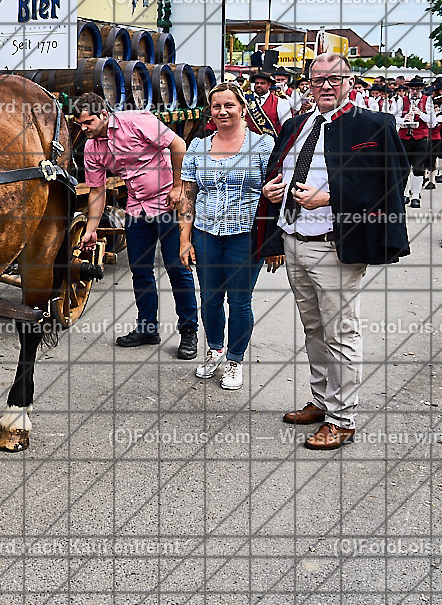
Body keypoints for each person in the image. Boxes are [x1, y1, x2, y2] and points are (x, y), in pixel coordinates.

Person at [253, 53, 409, 450]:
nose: (326, 85)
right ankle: (322, 401)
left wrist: (330, 198)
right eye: (319, 78)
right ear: (308, 82)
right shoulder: (296, 124)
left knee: (340, 333)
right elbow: (283, 170)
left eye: (335, 79)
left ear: (349, 82)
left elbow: (391, 180)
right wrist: (275, 188)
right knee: (314, 330)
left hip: (334, 245)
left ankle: (343, 418)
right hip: (293, 240)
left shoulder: (372, 124)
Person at [74, 92, 199, 359]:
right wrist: (91, 228)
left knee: (177, 268)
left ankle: (189, 331)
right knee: (140, 271)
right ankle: (147, 328)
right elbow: (97, 191)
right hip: (136, 209)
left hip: (167, 205)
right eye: (80, 124)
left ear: (104, 115)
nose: (84, 129)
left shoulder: (136, 121)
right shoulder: (91, 147)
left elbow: (178, 145)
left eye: (88, 122)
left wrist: (178, 186)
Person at [179, 83, 278, 390]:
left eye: (229, 105)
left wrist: (274, 243)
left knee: (239, 301)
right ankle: (215, 350)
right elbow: (187, 195)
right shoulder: (198, 147)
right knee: (209, 299)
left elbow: (276, 197)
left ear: (242, 109)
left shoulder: (263, 146)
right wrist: (185, 239)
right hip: (205, 233)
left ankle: (235, 360)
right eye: (217, 106)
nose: (222, 111)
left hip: (245, 235)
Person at [396, 76, 437, 208]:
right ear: (408, 89)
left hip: (420, 139)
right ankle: (405, 194)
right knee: (404, 168)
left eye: (417, 89)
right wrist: (404, 119)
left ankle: (415, 196)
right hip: (404, 138)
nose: (414, 91)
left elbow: (433, 123)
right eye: (412, 89)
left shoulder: (428, 101)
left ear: (421, 89)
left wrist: (420, 114)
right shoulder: (401, 100)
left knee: (418, 168)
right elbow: (392, 117)